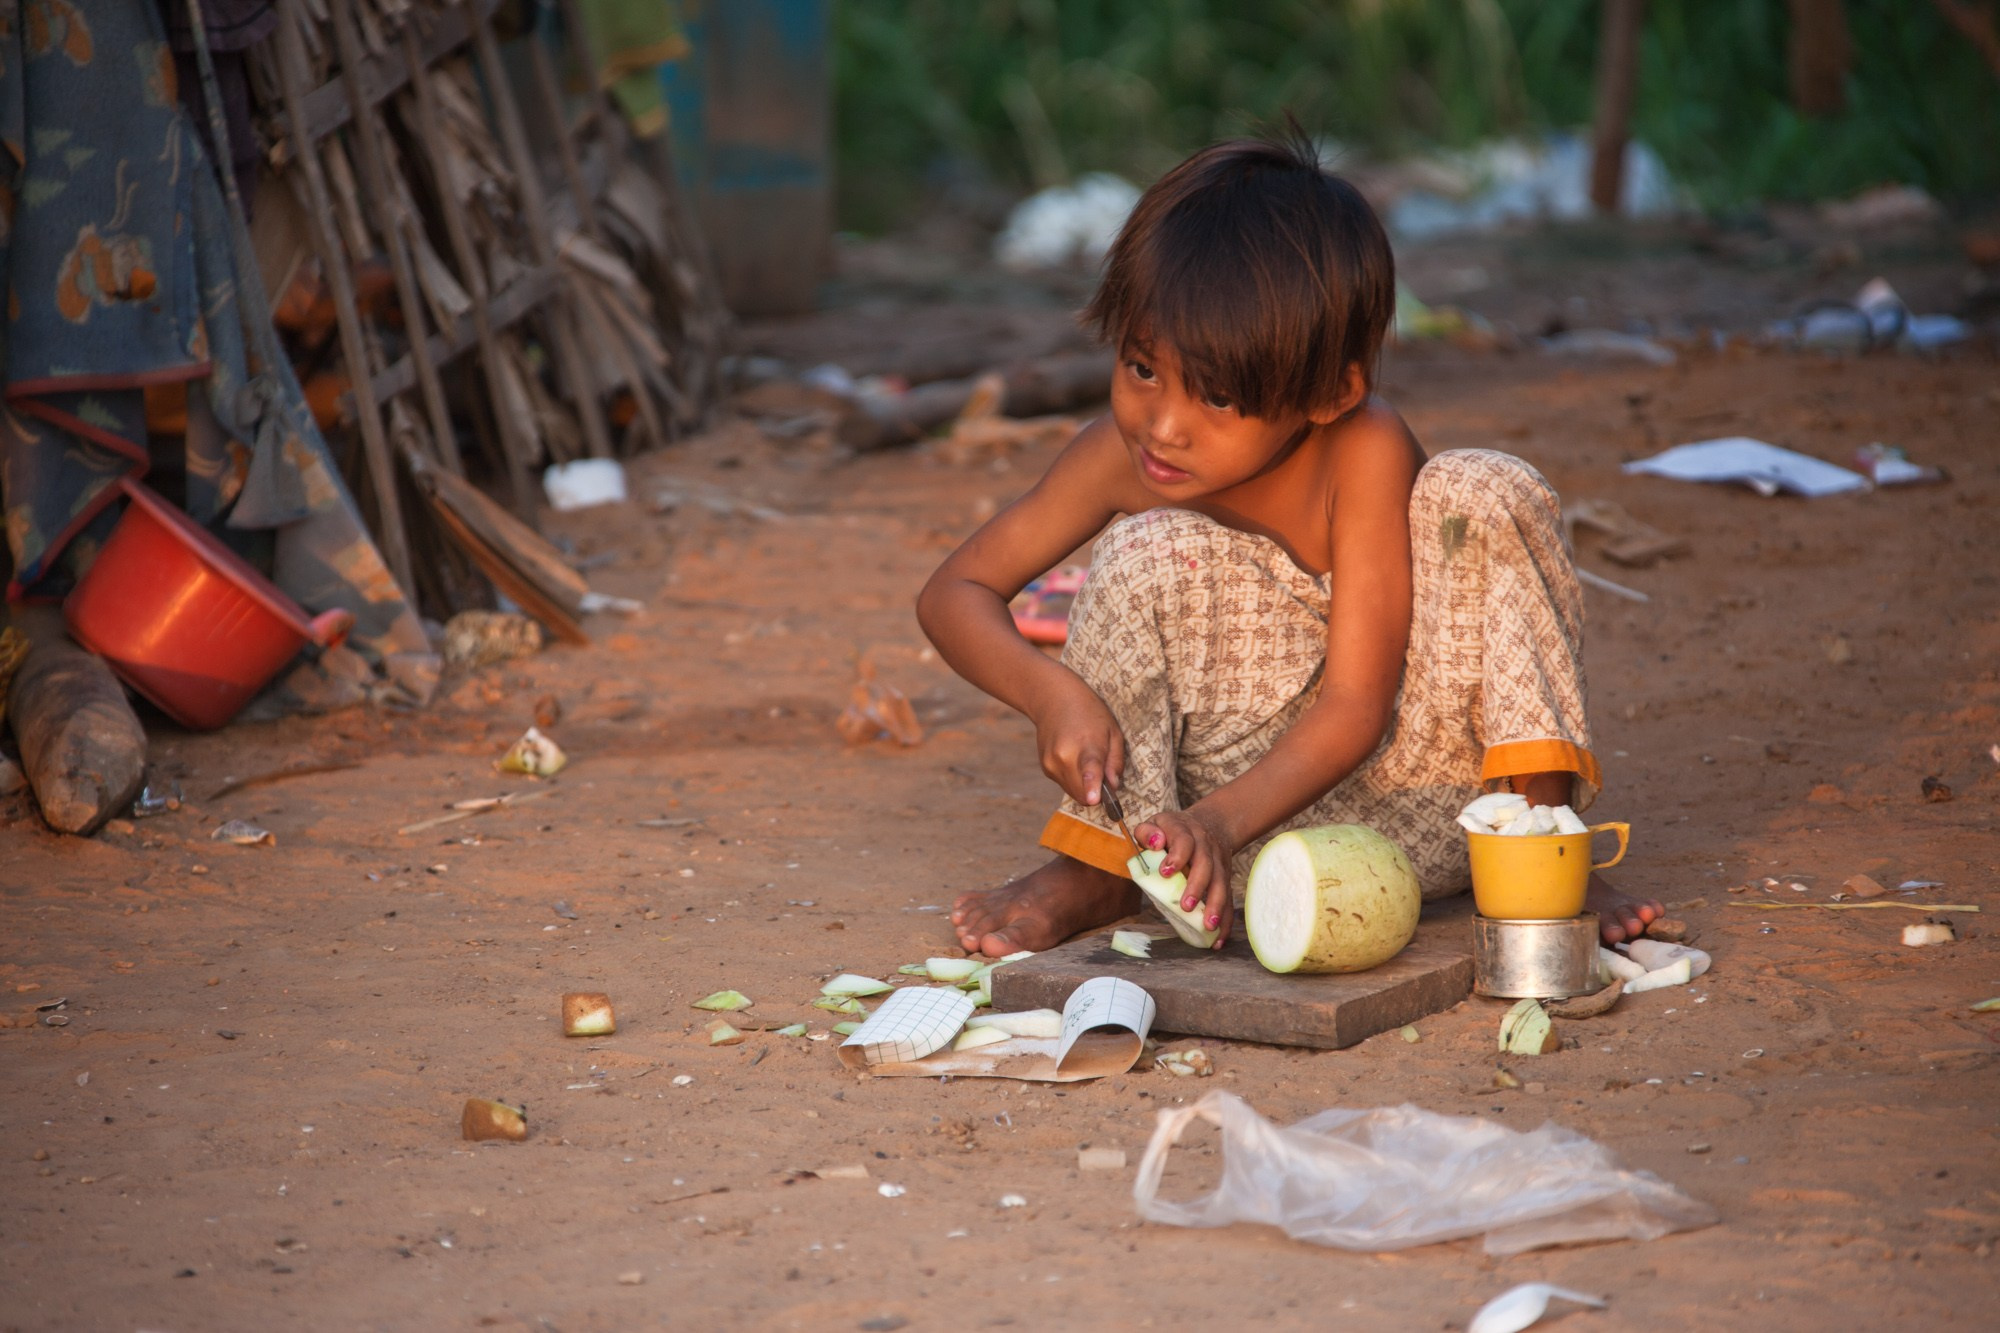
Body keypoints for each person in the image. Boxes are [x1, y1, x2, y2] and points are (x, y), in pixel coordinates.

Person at [916, 129, 1660, 958]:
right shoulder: (1115, 460)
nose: (1163, 425)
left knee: (1481, 488)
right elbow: (954, 593)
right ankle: (1103, 863)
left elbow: (1355, 707)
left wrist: (1219, 824)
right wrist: (1049, 693)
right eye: (1141, 367)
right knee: (1143, 551)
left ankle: (1537, 840)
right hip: (1208, 844)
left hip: (1428, 797)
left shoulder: (1363, 450)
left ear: (1331, 392)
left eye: (1220, 397)